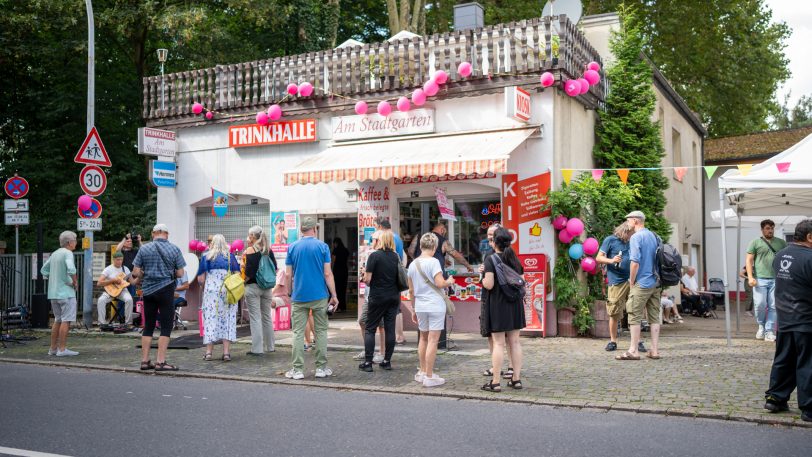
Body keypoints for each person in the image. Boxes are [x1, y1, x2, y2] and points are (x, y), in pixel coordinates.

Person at [763, 219, 812, 423]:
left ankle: (775, 398)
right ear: (809, 237)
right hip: (806, 320)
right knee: (807, 364)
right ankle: (809, 408)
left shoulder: (780, 255)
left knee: (783, 360)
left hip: (784, 319)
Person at [285, 217, 339, 380]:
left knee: (298, 333)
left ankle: (298, 369)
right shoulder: (323, 247)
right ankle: (321, 368)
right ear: (314, 230)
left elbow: (288, 274)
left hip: (299, 295)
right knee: (321, 332)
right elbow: (327, 273)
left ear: (302, 230)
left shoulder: (292, 247)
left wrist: (289, 292)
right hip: (320, 296)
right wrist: (334, 295)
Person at [131, 224, 186, 372]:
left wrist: (146, 273)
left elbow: (136, 272)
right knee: (166, 325)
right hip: (166, 289)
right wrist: (169, 274)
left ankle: (144, 361)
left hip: (148, 291)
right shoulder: (174, 249)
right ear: (166, 234)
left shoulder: (144, 248)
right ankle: (160, 362)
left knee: (148, 325)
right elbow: (181, 273)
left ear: (153, 233)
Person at [481, 227, 525, 392]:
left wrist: (482, 279)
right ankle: (516, 379)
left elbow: (489, 284)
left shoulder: (490, 260)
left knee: (499, 343)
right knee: (514, 342)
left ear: (494, 242)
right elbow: (522, 281)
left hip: (498, 305)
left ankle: (496, 382)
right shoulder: (514, 259)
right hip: (515, 304)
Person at [409, 232, 454, 387]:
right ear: (434, 246)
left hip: (420, 305)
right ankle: (429, 376)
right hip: (435, 305)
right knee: (433, 341)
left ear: (421, 246)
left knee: (423, 338)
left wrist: (413, 308)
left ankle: (422, 372)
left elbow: (411, 291)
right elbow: (440, 283)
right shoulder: (434, 262)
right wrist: (449, 281)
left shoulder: (413, 264)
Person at [616, 211, 662, 361]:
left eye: (628, 220)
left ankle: (633, 350)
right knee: (654, 316)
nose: (627, 223)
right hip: (656, 282)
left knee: (634, 314)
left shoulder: (636, 237)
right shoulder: (654, 236)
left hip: (642, 282)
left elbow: (634, 262)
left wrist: (631, 280)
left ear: (635, 221)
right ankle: (654, 350)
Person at [359, 231, 402, 372]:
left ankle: (368, 363)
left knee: (370, 329)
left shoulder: (374, 256)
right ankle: (387, 361)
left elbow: (368, 280)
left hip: (377, 297)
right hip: (393, 297)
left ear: (380, 241)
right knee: (390, 329)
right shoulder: (396, 257)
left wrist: (363, 274)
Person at [196, 234, 241, 362]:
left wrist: (205, 288)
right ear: (224, 243)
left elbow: (200, 279)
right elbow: (237, 275)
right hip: (227, 293)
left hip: (211, 293)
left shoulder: (206, 257)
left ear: (212, 244)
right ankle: (226, 353)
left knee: (211, 320)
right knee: (227, 320)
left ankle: (209, 353)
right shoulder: (230, 257)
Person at [479, 223, 514, 379]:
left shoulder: (503, 256)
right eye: (488, 235)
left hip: (497, 301)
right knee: (497, 338)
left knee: (504, 340)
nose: (489, 238)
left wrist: (484, 276)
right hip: (503, 301)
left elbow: (489, 283)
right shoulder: (490, 255)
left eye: (492, 235)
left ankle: (502, 372)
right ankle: (499, 368)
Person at [596, 222, 635, 351]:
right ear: (625, 231)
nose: (633, 235)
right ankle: (613, 341)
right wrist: (612, 260)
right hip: (617, 281)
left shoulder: (632, 241)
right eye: (631, 233)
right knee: (613, 312)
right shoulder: (610, 240)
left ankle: (637, 341)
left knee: (636, 310)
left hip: (632, 280)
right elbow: (599, 258)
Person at [746, 219, 787, 342]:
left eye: (772, 228)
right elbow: (749, 260)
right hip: (760, 279)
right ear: (762, 229)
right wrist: (750, 277)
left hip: (776, 279)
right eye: (768, 228)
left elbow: (786, 259)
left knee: (773, 306)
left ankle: (769, 331)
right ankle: (761, 326)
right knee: (760, 305)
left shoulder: (781, 243)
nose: (770, 230)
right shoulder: (755, 242)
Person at [41, 231, 79, 357]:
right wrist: (74, 281)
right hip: (66, 293)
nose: (76, 243)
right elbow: (71, 268)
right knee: (66, 320)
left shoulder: (55, 254)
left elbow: (44, 270)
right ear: (69, 242)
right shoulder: (68, 253)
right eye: (75, 240)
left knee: (57, 320)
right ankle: (62, 350)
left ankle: (52, 349)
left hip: (53, 293)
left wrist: (55, 277)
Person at [243, 225, 277, 356]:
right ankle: (270, 346)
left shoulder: (251, 250)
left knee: (255, 318)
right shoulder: (268, 250)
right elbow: (275, 267)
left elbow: (249, 272)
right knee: (267, 317)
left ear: (252, 236)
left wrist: (242, 282)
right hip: (267, 288)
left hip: (253, 288)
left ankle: (257, 349)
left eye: (249, 235)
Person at [96, 251, 134, 325]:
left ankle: (128, 323)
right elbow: (99, 283)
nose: (120, 261)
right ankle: (102, 323)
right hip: (110, 291)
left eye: (121, 260)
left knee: (129, 299)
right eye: (118, 259)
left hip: (122, 291)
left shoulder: (125, 269)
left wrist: (139, 276)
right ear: (113, 260)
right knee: (101, 300)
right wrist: (113, 280)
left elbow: (132, 282)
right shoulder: (108, 269)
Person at [116, 232, 141, 300]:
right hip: (123, 278)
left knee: (131, 298)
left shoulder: (134, 251)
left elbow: (143, 250)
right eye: (128, 241)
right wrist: (125, 238)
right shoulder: (122, 252)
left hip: (132, 278)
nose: (130, 242)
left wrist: (139, 241)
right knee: (122, 298)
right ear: (124, 243)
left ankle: (129, 311)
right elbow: (117, 249)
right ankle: (121, 311)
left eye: (131, 241)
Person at [331, 237, 350, 313]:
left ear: (336, 243)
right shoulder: (345, 250)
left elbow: (333, 260)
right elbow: (347, 260)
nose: (334, 245)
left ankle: (338, 307)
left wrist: (331, 269)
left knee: (337, 289)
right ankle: (343, 307)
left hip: (337, 271)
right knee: (343, 289)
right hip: (344, 271)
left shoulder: (335, 250)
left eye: (334, 243)